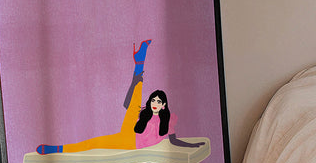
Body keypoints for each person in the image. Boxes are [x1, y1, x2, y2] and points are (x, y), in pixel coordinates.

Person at [36, 40, 203, 154]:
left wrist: (194, 145)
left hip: (130, 144)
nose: (154, 103)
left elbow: (175, 142)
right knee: (133, 103)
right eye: (153, 100)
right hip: (128, 132)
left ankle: (139, 63)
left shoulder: (168, 121)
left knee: (94, 143)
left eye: (158, 102)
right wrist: (135, 83)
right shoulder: (145, 111)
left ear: (163, 105)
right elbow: (127, 104)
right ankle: (139, 64)